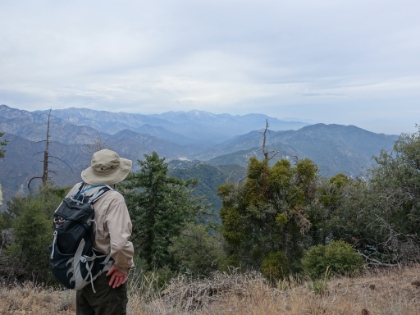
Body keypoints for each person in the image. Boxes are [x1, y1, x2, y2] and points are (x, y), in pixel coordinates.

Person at [63, 149, 135, 315]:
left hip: (80, 269)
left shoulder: (77, 189)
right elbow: (120, 244)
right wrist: (122, 267)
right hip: (105, 274)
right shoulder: (114, 199)